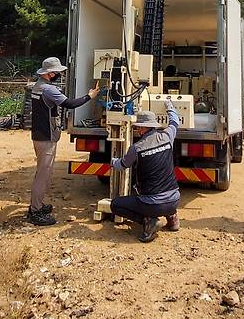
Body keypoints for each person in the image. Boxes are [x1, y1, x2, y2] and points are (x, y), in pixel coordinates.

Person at [29, 57, 99, 225]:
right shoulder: (48, 90)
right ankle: (35, 211)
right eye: (58, 72)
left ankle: (37, 205)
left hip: (40, 135)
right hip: (46, 137)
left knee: (43, 173)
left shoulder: (37, 86)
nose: (59, 75)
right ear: (49, 73)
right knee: (43, 175)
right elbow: (69, 104)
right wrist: (90, 96)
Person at [110, 100, 181, 243]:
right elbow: (175, 122)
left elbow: (122, 165)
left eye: (138, 128)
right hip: (174, 199)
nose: (137, 130)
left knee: (115, 205)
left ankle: (149, 221)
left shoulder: (136, 148)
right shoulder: (167, 136)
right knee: (164, 191)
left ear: (142, 129)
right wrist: (169, 107)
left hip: (152, 204)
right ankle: (172, 217)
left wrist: (112, 161)